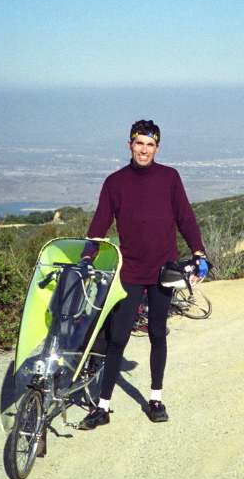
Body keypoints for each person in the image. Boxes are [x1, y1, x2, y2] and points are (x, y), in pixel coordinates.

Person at [78, 119, 207, 429]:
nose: (144, 149)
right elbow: (99, 223)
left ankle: (155, 400)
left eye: (150, 145)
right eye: (139, 143)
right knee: (117, 338)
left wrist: (199, 252)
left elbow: (185, 218)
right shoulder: (115, 182)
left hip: (164, 270)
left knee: (157, 334)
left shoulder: (170, 178)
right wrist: (87, 254)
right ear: (130, 145)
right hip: (131, 269)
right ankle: (103, 407)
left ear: (157, 147)